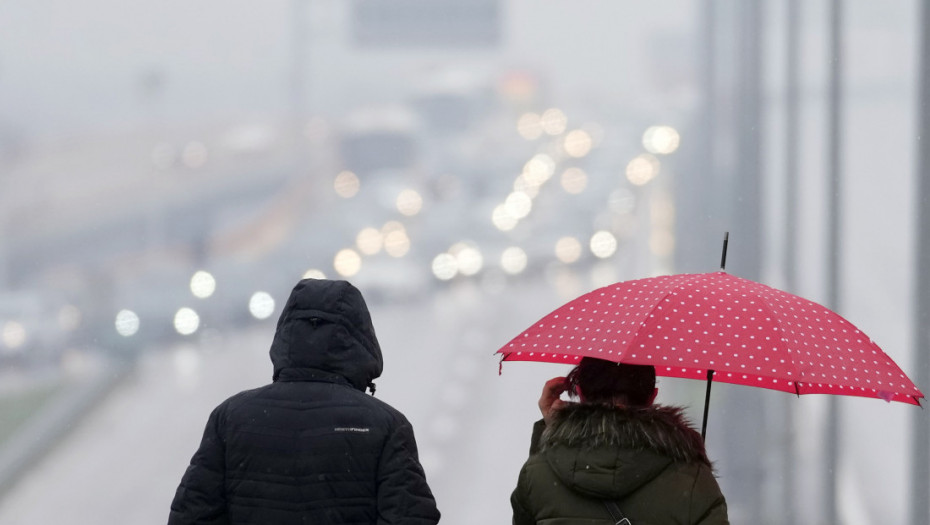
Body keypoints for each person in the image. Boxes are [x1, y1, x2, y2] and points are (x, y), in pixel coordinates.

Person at [168, 278, 440, 525]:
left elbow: (192, 516)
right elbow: (411, 517)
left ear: (285, 335)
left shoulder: (230, 418)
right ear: (361, 339)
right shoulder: (385, 426)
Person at [510, 357, 728, 524]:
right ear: (652, 397)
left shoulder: (538, 476)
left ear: (580, 393)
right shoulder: (691, 481)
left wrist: (549, 432)